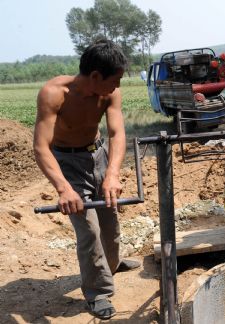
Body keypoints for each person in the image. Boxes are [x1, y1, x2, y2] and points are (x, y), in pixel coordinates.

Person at [33, 39, 140, 320]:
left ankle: (112, 264)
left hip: (99, 156)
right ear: (95, 76)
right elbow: (41, 147)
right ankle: (98, 292)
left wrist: (112, 175)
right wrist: (64, 189)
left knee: (109, 219)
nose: (117, 86)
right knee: (89, 230)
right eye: (114, 80)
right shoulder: (53, 94)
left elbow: (117, 134)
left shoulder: (109, 94)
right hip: (67, 163)